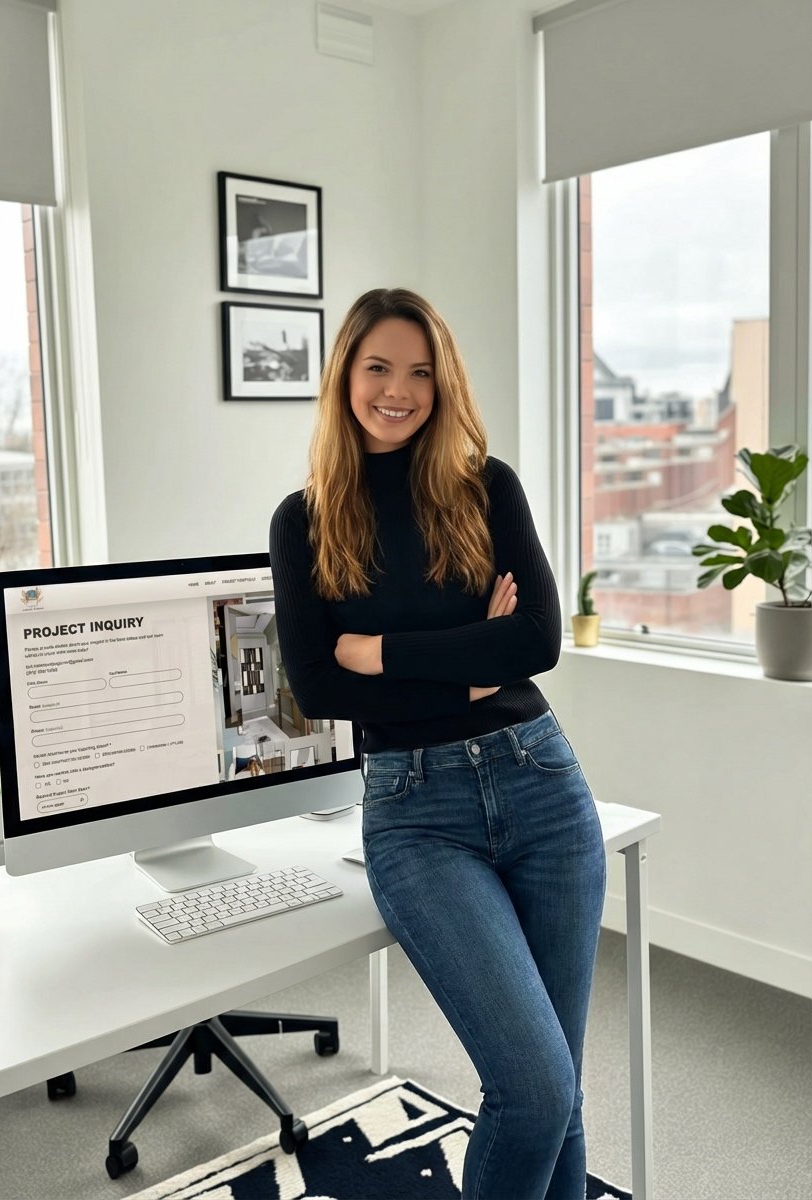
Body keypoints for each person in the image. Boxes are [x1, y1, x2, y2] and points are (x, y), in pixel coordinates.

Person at [269, 287, 606, 1200]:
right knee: (534, 1090)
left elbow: (534, 644)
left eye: (421, 371)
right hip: (418, 813)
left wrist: (380, 652)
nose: (399, 389)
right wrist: (466, 665)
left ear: (442, 383)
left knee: (559, 1093)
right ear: (345, 375)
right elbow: (320, 687)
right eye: (378, 366)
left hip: (540, 782)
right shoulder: (303, 522)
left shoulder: (486, 488)